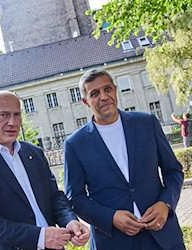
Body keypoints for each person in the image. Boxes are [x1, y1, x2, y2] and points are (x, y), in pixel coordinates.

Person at [64, 68, 185, 250]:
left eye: (107, 89)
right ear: (85, 102)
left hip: (162, 237)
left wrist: (166, 203)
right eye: (94, 93)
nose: (103, 97)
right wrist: (111, 217)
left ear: (115, 89)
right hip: (113, 241)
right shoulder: (75, 144)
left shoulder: (147, 123)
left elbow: (173, 171)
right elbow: (76, 198)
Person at [0, 91, 90, 250]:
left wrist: (70, 221)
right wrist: (40, 237)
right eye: (4, 115)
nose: (12, 122)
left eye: (17, 114)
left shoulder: (34, 153)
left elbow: (55, 197)